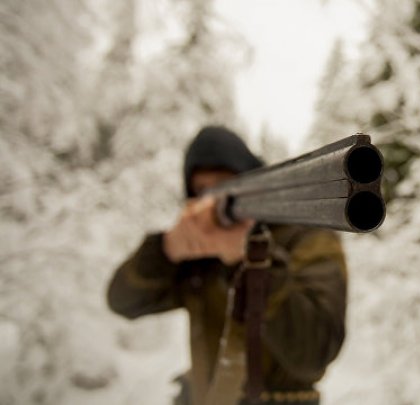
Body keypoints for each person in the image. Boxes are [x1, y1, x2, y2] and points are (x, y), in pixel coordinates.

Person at [107, 126, 347, 405]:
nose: (211, 200)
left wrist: (251, 259)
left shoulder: (307, 236)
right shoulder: (199, 255)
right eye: (201, 190)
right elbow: (122, 301)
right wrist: (166, 249)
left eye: (223, 185)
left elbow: (314, 351)